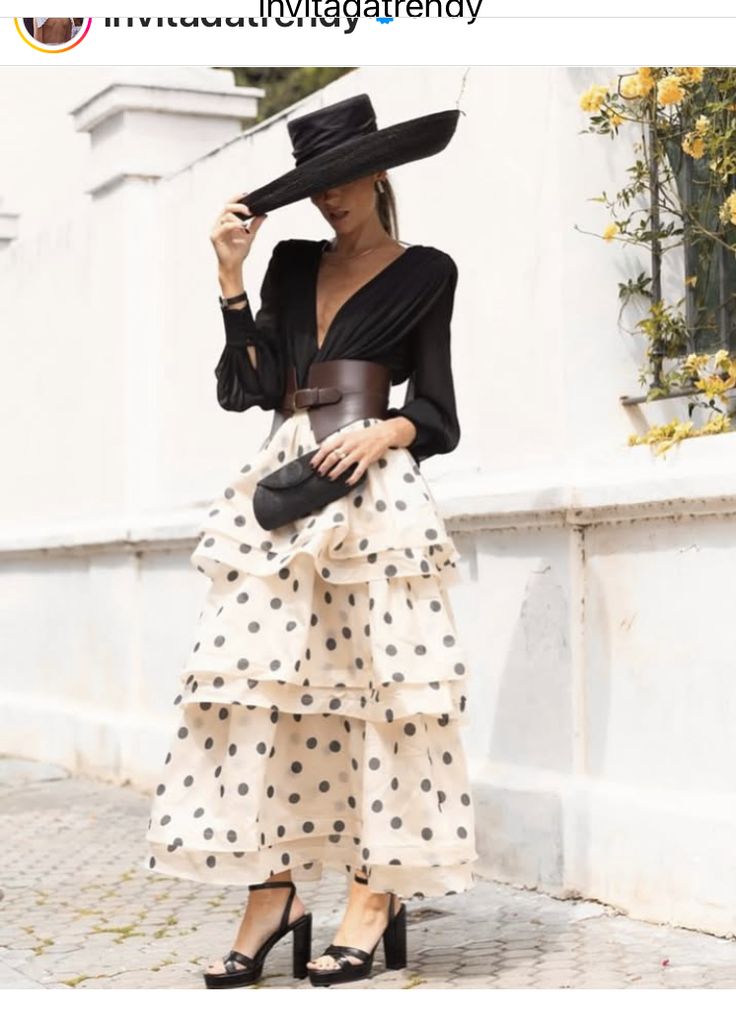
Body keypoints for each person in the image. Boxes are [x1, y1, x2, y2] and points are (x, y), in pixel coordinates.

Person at [142, 93, 479, 988]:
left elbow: (440, 411)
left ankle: (375, 892)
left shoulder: (427, 271)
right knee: (265, 694)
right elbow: (247, 388)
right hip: (286, 489)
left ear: (378, 171)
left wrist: (387, 431)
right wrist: (230, 278)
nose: (330, 197)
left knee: (383, 694)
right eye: (316, 184)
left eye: (343, 178)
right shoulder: (290, 263)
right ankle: (274, 895)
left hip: (375, 499)